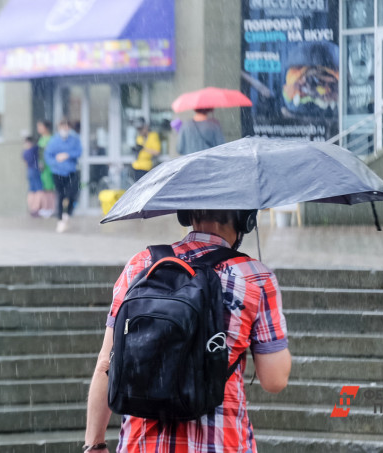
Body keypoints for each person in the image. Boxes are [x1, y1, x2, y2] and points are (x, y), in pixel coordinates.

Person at [84, 209, 291, 452]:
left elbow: (105, 365)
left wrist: (94, 444)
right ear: (247, 219)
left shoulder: (141, 265)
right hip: (219, 443)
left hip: (141, 444)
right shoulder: (255, 277)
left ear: (184, 214)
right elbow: (274, 380)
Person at [45, 119, 82, 233]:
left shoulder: (74, 140)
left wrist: (68, 155)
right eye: (62, 127)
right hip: (58, 172)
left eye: (66, 127)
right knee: (60, 196)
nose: (64, 130)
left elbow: (79, 152)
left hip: (71, 171)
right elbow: (48, 156)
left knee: (72, 194)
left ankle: (68, 213)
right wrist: (56, 162)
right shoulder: (53, 141)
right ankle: (60, 219)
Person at [36, 119, 56, 218]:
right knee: (45, 188)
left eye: (40, 126)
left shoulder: (51, 139)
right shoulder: (41, 139)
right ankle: (46, 207)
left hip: (49, 168)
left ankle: (50, 208)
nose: (38, 129)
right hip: (42, 168)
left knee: (49, 189)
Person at [21, 136, 42, 217]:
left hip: (29, 171)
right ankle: (36, 209)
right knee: (38, 190)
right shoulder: (33, 149)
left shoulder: (24, 152)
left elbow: (25, 163)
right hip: (35, 171)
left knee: (31, 190)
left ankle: (32, 209)